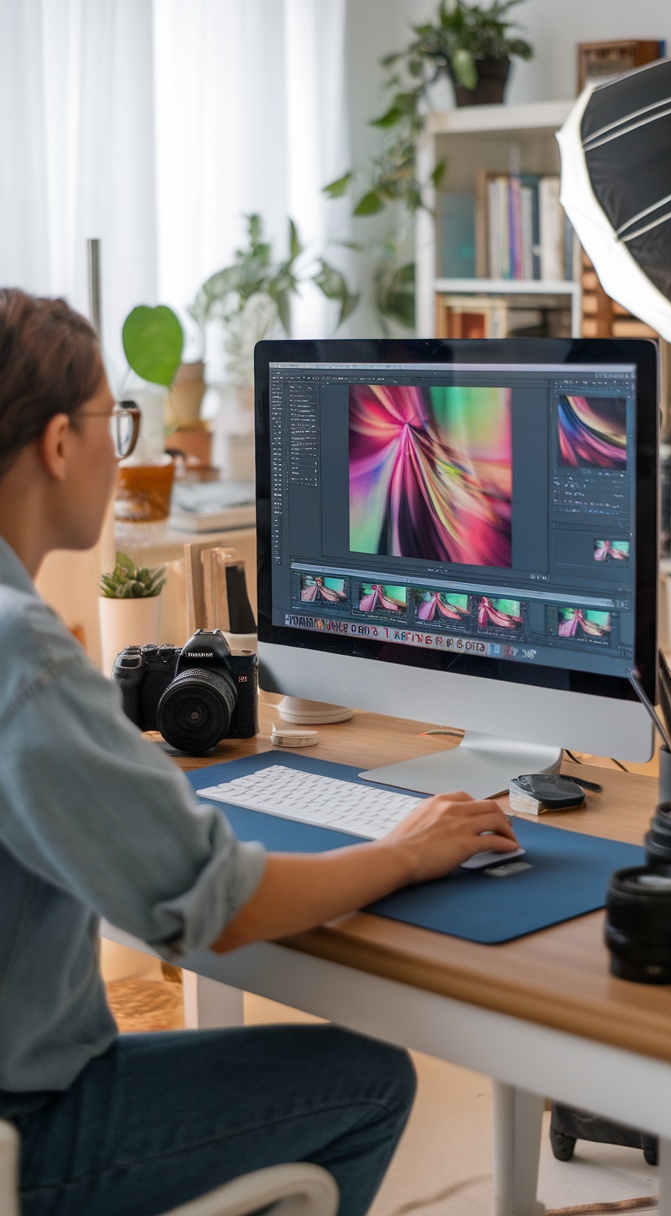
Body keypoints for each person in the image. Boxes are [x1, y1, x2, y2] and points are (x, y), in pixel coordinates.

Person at [0, 289, 519, 1216]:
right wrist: (406, 849)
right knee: (367, 1081)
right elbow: (220, 909)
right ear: (58, 444)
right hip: (25, 1136)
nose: (127, 455)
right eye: (113, 424)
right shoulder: (24, 656)